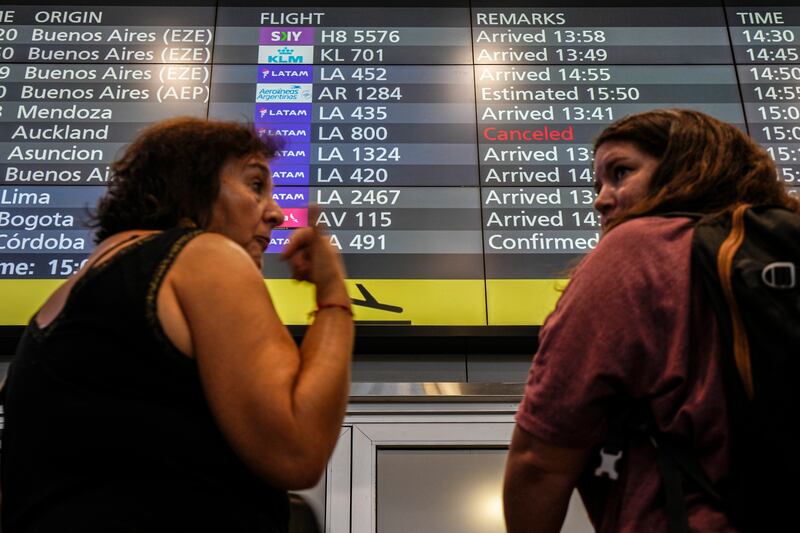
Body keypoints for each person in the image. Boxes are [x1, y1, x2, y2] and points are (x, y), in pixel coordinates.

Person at [0, 117, 354, 532]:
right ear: (192, 185)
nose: (276, 214)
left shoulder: (56, 310)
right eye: (256, 186)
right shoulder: (206, 256)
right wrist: (334, 297)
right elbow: (297, 449)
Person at [503, 109, 800, 532]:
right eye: (597, 184)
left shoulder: (637, 249)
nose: (600, 199)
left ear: (688, 169)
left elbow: (539, 460)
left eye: (620, 172)